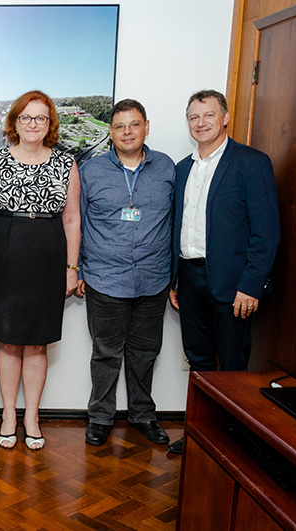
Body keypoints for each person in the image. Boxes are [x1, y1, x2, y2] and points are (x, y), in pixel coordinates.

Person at [167, 89, 280, 454]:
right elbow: (178, 227)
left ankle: (234, 442)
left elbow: (267, 231)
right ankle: (201, 435)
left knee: (232, 366)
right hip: (189, 279)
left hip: (233, 285)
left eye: (208, 115)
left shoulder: (251, 162)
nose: (201, 123)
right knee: (198, 362)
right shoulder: (182, 169)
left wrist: (252, 285)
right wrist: (175, 279)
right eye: (194, 117)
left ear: (225, 117)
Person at [0, 90, 81, 450]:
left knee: (37, 343)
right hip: (4, 254)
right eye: (26, 117)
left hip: (49, 257)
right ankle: (8, 414)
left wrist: (71, 268)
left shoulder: (66, 163)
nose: (33, 124)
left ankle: (32, 417)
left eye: (40, 118)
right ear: (15, 123)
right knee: (8, 340)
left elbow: (72, 220)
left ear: (50, 124)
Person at [76, 99, 175, 447]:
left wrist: (175, 276)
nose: (127, 132)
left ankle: (143, 415)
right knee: (105, 353)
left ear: (146, 126)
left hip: (153, 278)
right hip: (105, 278)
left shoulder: (167, 168)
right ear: (110, 132)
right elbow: (77, 223)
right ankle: (100, 417)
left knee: (146, 352)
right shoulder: (90, 172)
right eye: (119, 126)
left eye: (134, 124)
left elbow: (176, 224)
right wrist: (77, 269)